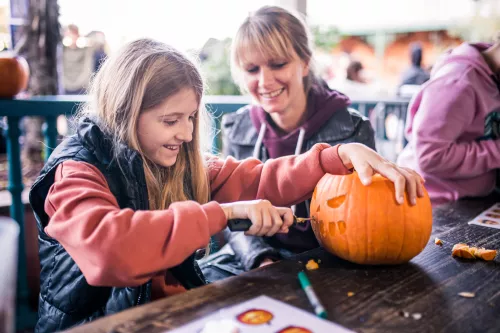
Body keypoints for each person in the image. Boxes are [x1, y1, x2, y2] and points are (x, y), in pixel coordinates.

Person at [29, 38, 422, 332]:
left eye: (191, 119)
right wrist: (223, 215)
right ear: (125, 112)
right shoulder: (74, 173)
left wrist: (333, 157)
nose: (185, 133)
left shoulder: (175, 159)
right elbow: (110, 249)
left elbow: (258, 178)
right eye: (171, 120)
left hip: (171, 315)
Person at [199, 6, 378, 281]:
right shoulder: (237, 127)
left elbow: (364, 216)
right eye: (252, 69)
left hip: (330, 265)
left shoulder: (352, 128)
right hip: (255, 260)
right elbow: (232, 214)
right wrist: (261, 258)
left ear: (305, 62)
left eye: (278, 64)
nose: (265, 81)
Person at [397, 36, 500, 204]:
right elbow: (430, 155)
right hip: (434, 206)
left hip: (472, 200)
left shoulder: (491, 78)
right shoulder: (458, 82)